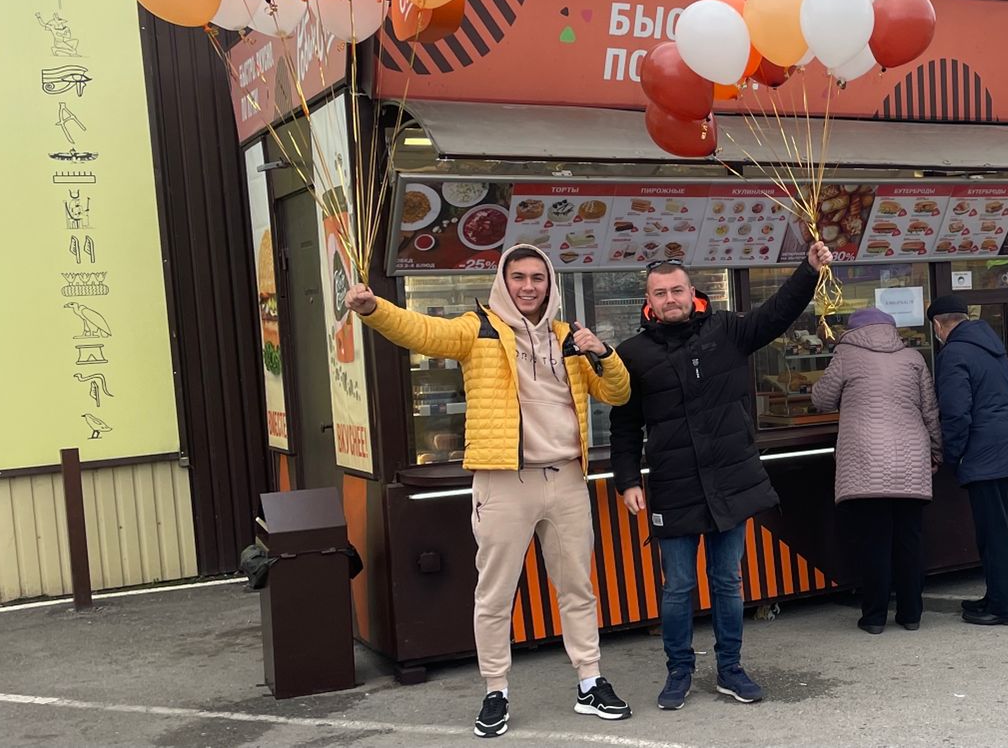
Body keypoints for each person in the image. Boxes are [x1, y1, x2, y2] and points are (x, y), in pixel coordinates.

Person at [346, 244, 633, 737]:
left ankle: (590, 681)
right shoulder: (476, 329)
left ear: (550, 284)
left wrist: (603, 353)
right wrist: (374, 309)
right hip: (503, 483)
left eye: (537, 278)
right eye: (518, 277)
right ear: (504, 281)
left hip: (565, 479)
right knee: (495, 595)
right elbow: (422, 331)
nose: (528, 286)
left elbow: (618, 393)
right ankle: (495, 690)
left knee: (576, 589)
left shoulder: (568, 338)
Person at [611, 240, 834, 710]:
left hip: (731, 481)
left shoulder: (727, 330)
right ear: (647, 302)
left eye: (676, 290)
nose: (669, 299)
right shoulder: (631, 354)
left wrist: (809, 270)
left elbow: (776, 314)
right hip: (673, 487)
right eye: (660, 293)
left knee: (727, 580)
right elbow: (625, 423)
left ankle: (731, 668)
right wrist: (628, 479)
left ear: (693, 292)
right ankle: (679, 671)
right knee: (678, 588)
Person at [809, 306, 942, 635]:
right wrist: (936, 452)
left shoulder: (846, 353)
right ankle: (911, 614)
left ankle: (874, 617)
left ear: (853, 330)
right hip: (911, 458)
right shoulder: (913, 357)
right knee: (909, 540)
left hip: (866, 460)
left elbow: (822, 400)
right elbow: (930, 411)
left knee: (874, 542)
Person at [926, 295, 1008, 626]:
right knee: (1005, 531)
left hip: (984, 452)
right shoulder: (992, 345)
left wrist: (952, 455)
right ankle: (999, 596)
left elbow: (956, 413)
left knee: (992, 534)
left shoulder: (953, 353)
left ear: (939, 325)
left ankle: (1005, 608)